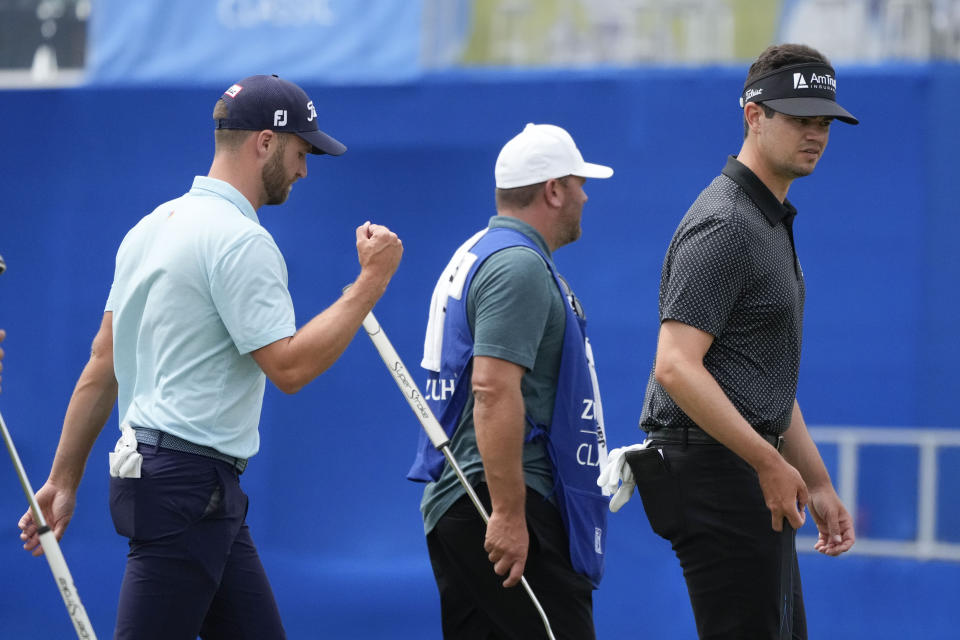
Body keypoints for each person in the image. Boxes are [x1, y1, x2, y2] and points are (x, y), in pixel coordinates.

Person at [17, 74, 403, 640]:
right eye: (301, 151)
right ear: (265, 143)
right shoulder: (242, 239)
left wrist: (63, 477)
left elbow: (103, 364)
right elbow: (290, 368)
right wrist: (370, 282)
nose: (303, 169)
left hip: (184, 486)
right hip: (187, 488)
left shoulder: (150, 227)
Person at [603, 44, 857, 639]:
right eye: (799, 118)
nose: (815, 134)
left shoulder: (766, 219)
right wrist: (768, 460)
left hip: (740, 464)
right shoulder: (727, 223)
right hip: (718, 469)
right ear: (754, 116)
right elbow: (675, 367)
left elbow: (762, 377)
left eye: (823, 122)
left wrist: (816, 480)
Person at [412, 123, 613, 639]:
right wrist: (507, 513)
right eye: (578, 183)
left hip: (474, 499)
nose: (586, 196)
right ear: (553, 190)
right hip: (502, 499)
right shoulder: (517, 265)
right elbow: (492, 388)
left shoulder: (483, 252)